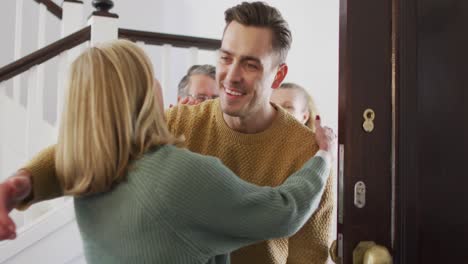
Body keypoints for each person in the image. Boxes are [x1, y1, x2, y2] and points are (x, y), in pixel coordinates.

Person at [0, 2, 335, 264]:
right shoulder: (178, 124)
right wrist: (25, 181)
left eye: (250, 64)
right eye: (225, 57)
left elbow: (309, 256)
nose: (231, 76)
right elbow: (98, 143)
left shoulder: (306, 150)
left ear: (278, 76)